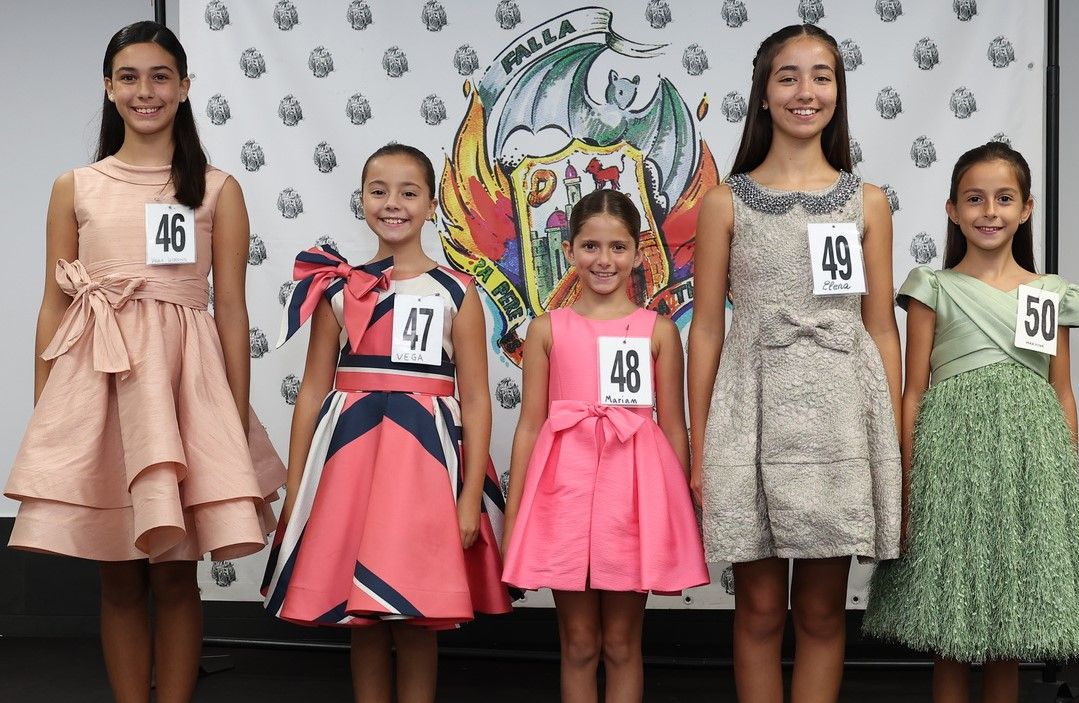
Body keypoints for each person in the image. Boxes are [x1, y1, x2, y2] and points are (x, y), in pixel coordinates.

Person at [4, 20, 285, 703]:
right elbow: (53, 303)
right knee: (118, 570)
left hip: (186, 391)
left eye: (160, 76)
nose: (145, 91)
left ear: (184, 87)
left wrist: (232, 415)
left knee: (175, 570)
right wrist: (48, 408)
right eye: (128, 77)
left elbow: (231, 309)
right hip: (100, 386)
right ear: (108, 87)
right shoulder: (76, 186)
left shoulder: (217, 189)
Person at [686, 24, 903, 702]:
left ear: (838, 93)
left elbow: (880, 327)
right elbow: (706, 330)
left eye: (821, 76)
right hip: (751, 416)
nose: (805, 91)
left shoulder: (867, 202)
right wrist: (699, 442)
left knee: (821, 611)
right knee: (757, 611)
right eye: (788, 76)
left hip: (838, 421)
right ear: (762, 94)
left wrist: (889, 442)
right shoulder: (724, 202)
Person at [262, 143, 511, 702]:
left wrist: (469, 497)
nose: (393, 203)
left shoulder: (457, 290)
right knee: (363, 621)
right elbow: (312, 390)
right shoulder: (339, 288)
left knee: (415, 616)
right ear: (362, 199)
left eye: (408, 192)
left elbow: (476, 398)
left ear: (432, 205)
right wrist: (299, 485)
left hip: (425, 470)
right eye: (379, 191)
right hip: (352, 466)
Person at [863, 142, 1079, 702]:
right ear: (952, 210)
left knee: (1009, 628)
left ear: (1026, 208)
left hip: (1028, 467)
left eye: (1004, 199)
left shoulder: (1050, 294)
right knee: (950, 632)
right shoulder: (932, 287)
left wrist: (1063, 479)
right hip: (951, 466)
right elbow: (914, 391)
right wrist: (909, 477)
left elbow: (1061, 391)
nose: (989, 211)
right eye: (974, 199)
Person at [502, 189, 709, 703]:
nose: (604, 260)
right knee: (578, 643)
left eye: (618, 247)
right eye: (590, 246)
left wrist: (676, 512)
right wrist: (515, 512)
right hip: (563, 497)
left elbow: (674, 428)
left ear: (638, 253)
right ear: (569, 250)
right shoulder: (546, 330)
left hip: (632, 501)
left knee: (621, 643)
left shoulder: (659, 332)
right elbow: (529, 426)